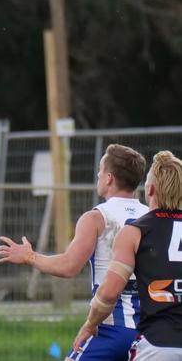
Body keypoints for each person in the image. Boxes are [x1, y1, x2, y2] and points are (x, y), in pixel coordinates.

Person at [0, 144, 148, 361]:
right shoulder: (152, 216)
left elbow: (69, 266)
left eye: (100, 170)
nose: (97, 174)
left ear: (109, 178)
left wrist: (30, 257)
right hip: (148, 333)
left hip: (110, 329)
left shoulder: (97, 217)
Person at [73, 150, 182, 361]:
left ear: (150, 189)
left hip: (157, 345)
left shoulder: (135, 231)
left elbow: (109, 294)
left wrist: (90, 324)